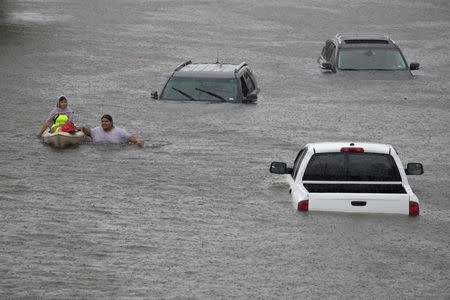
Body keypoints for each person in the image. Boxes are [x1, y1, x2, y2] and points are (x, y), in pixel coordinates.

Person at [77, 114, 144, 146]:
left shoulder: (120, 132)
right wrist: (82, 128)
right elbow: (88, 131)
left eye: (106, 121)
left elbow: (130, 137)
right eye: (102, 121)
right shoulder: (96, 130)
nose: (104, 123)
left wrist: (137, 141)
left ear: (111, 122)